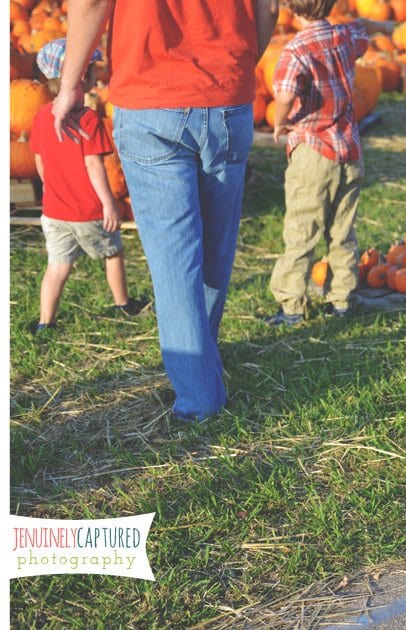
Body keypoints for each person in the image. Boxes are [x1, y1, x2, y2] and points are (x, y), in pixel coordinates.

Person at [51, 0, 280, 422]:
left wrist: (68, 86)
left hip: (150, 97)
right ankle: (202, 367)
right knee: (215, 247)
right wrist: (237, 71)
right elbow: (267, 7)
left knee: (174, 258)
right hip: (228, 97)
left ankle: (199, 399)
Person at [262, 0, 393, 326]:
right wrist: (386, 28)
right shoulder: (344, 36)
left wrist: (279, 123)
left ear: (291, 9)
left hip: (313, 153)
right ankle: (342, 299)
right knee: (342, 230)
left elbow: (287, 95)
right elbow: (363, 24)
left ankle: (291, 306)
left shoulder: (294, 51)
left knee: (301, 230)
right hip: (348, 150)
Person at [29, 38, 147, 335]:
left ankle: (46, 322)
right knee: (112, 253)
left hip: (54, 212)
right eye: (93, 69)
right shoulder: (89, 120)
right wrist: (109, 203)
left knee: (57, 267)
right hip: (89, 212)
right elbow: (94, 165)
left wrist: (52, 188)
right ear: (84, 77)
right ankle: (122, 304)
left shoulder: (42, 117)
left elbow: (40, 161)